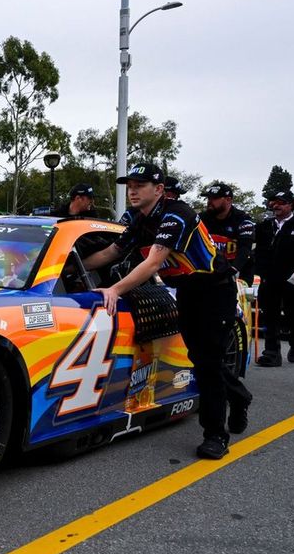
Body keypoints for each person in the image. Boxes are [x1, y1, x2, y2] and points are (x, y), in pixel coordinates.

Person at [83, 162, 251, 460]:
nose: (132, 190)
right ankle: (239, 396)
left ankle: (215, 435)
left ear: (159, 189)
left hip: (216, 290)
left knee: (207, 362)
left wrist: (113, 290)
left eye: (140, 185)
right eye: (130, 185)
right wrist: (69, 268)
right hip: (187, 291)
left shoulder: (177, 213)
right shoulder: (139, 219)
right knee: (200, 358)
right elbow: (112, 253)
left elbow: (152, 263)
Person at [253, 190, 294, 367]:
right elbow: (256, 249)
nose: (277, 206)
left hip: (293, 279)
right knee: (270, 316)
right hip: (269, 278)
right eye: (274, 202)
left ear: (291, 205)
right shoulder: (265, 226)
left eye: (281, 202)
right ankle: (272, 353)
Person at [199, 182, 255, 284]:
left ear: (228, 200)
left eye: (215, 198)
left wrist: (233, 269)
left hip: (237, 271)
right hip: (210, 272)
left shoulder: (243, 219)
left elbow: (245, 248)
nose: (210, 202)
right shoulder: (200, 219)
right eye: (209, 198)